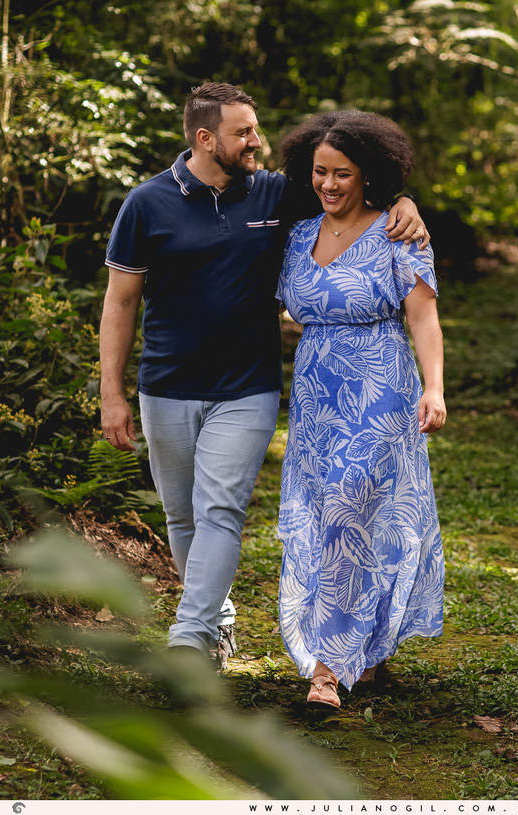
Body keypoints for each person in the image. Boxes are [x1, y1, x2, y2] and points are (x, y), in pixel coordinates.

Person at [99, 84, 429, 669]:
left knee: (220, 509)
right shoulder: (146, 204)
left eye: (256, 128)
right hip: (165, 385)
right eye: (244, 132)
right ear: (206, 139)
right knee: (181, 516)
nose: (259, 142)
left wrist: (405, 201)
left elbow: (353, 190)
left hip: (248, 387)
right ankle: (218, 619)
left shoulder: (278, 194)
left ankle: (189, 637)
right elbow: (120, 303)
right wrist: (112, 394)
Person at [275, 111, 446, 708]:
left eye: (342, 174)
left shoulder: (398, 233)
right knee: (328, 518)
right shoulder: (296, 237)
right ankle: (364, 649)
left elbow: (423, 316)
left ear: (367, 174)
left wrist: (435, 387)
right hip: (316, 393)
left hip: (382, 390)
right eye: (320, 172)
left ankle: (326, 670)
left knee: (352, 507)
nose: (329, 184)